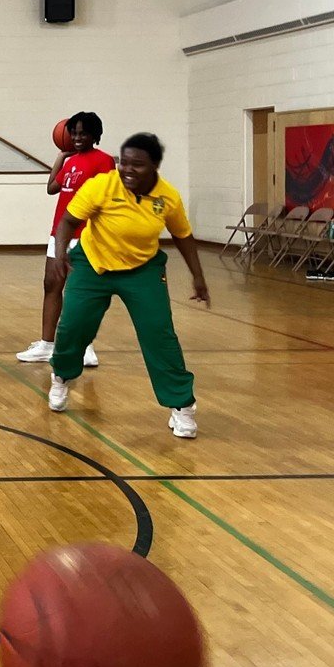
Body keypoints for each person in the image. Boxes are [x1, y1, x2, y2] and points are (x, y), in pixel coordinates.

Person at [46, 133, 208, 438]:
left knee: (159, 333)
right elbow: (68, 221)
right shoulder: (102, 185)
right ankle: (61, 375)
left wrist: (198, 276)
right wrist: (59, 255)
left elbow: (183, 236)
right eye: (125, 162)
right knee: (74, 326)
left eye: (138, 164)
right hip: (94, 264)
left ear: (155, 166)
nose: (128, 169)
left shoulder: (167, 197)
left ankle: (182, 406)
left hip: (141, 269)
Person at [18, 112, 113, 367]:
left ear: (95, 135)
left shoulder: (104, 161)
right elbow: (51, 188)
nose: (77, 138)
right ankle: (47, 345)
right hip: (59, 234)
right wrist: (61, 157)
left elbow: (106, 197)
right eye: (74, 133)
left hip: (85, 235)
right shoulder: (70, 161)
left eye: (83, 133)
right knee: (51, 285)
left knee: (80, 292)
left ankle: (85, 347)